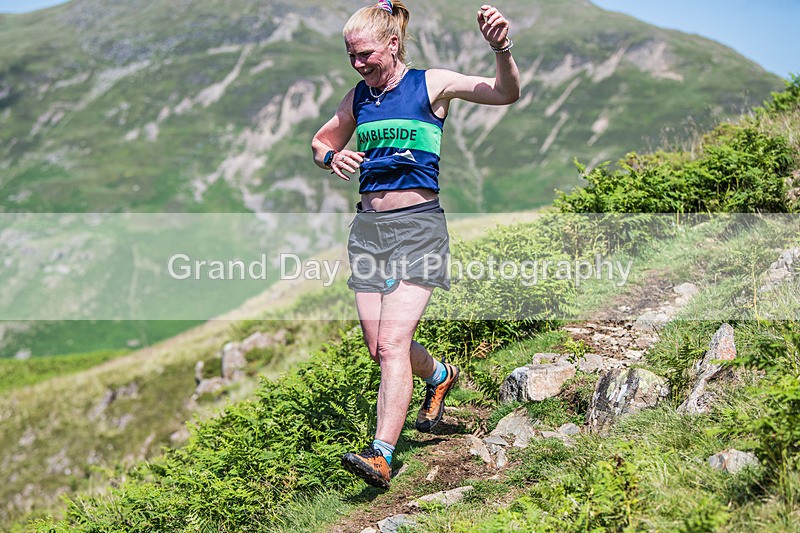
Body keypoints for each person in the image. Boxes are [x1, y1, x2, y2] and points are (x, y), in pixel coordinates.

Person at [311, 0, 520, 489]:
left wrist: (501, 48)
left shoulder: (431, 84)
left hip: (418, 228)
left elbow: (505, 92)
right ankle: (440, 375)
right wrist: (331, 158)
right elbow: (321, 140)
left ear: (392, 43)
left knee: (392, 344)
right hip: (367, 231)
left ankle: (381, 455)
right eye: (351, 56)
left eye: (365, 54)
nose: (359, 64)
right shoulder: (359, 96)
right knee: (377, 347)